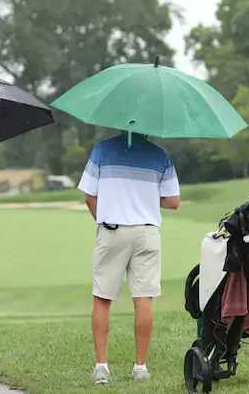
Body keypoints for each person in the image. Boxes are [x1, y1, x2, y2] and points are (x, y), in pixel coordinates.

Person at [77, 131, 181, 385]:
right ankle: (141, 368)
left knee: (103, 297)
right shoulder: (161, 155)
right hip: (147, 233)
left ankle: (102, 368)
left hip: (112, 230)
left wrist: (106, 217)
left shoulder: (102, 149)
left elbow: (90, 197)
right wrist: (144, 197)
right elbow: (173, 201)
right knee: (143, 299)